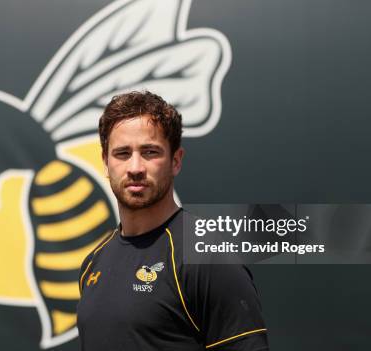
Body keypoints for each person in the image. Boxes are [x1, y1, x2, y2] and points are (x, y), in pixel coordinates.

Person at [76, 91, 268, 350]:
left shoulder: (207, 258)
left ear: (175, 161)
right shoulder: (93, 263)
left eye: (150, 152)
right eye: (122, 153)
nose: (135, 167)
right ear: (105, 163)